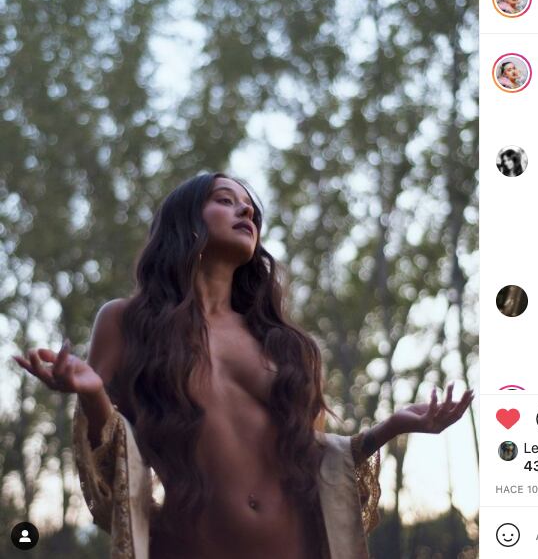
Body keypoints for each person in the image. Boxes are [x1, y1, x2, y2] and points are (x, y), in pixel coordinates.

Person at [13, 172, 474, 559]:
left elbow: (311, 456)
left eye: (249, 207)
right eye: (224, 200)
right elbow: (108, 454)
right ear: (185, 221)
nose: (245, 211)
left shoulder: (286, 344)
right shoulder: (126, 321)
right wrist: (92, 392)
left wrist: (391, 427)